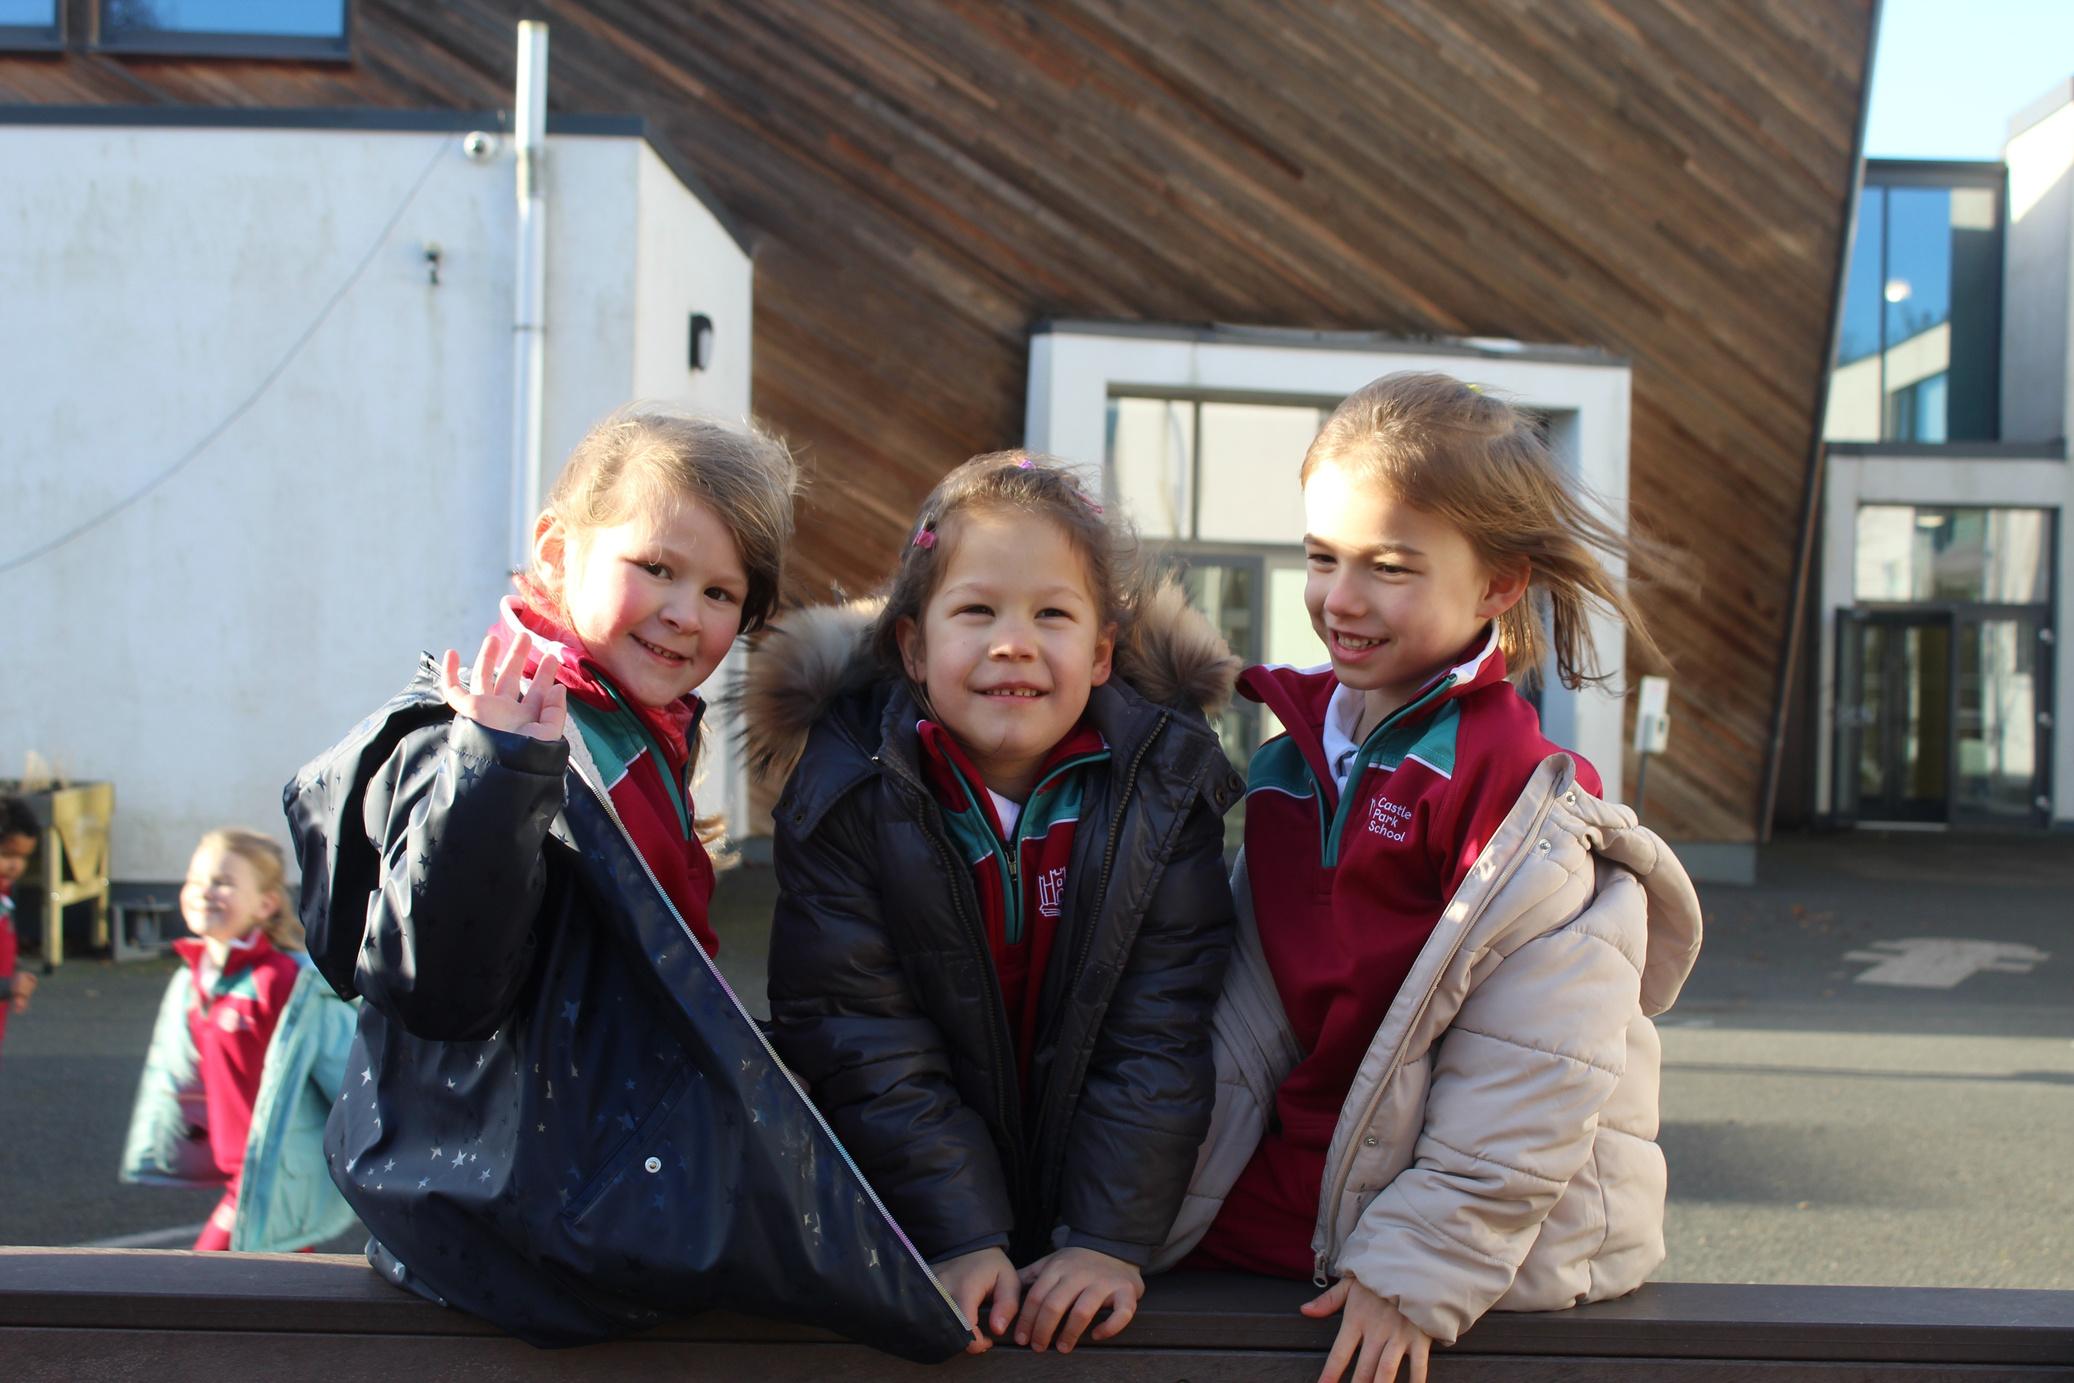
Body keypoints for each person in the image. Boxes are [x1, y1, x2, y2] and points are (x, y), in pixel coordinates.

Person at [285, 408, 968, 1361]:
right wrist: (496, 774)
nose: (686, 612)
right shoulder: (492, 731)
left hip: (562, 1173)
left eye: (722, 592)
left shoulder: (633, 726)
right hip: (522, 1209)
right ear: (556, 551)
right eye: (656, 567)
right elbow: (439, 984)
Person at [1158, 373, 1704, 1383]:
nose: (1340, 598)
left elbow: (1535, 1064)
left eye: (1389, 567)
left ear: (1497, 585)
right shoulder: (1290, 761)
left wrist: (1418, 1264)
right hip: (1324, 1185)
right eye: (1321, 557)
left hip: (1488, 1229)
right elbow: (1249, 1017)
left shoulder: (1522, 792)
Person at [748, 451, 1244, 1357]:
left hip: (1110, 1215)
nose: (1013, 642)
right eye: (976, 611)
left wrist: (1107, 1237)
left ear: (1101, 652)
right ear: (913, 646)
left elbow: (1157, 1031)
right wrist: (958, 1230)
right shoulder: (847, 795)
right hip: (910, 1211)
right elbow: (865, 1040)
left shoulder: (1166, 794)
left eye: (1052, 614)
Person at [119, 827, 360, 1252]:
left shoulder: (282, 982)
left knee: (205, 1279)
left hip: (269, 1173)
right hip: (241, 1172)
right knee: (274, 1279)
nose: (204, 891)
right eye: (195, 880)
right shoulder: (193, 978)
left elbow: (346, 1076)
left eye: (223, 882)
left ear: (265, 904)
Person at [0, 796, 41, 1061]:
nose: (16, 866)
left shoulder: (4, 897)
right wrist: (7, 987)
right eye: (7, 855)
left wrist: (15, 977)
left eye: (23, 857)